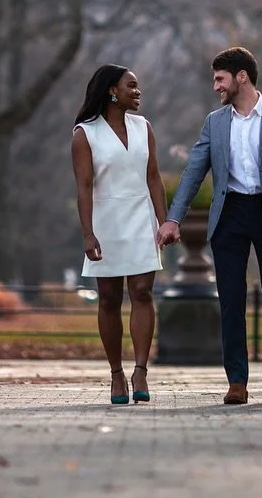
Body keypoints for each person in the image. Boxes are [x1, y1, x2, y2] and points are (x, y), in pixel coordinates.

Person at [159, 46, 262, 404]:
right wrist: (173, 217)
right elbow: (194, 171)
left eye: (220, 78)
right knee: (230, 299)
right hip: (229, 215)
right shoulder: (215, 122)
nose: (216, 86)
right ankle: (237, 380)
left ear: (241, 76)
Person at [72, 63, 167, 404]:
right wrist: (88, 234)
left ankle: (140, 370)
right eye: (132, 86)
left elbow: (153, 177)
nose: (137, 92)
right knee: (110, 299)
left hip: (141, 218)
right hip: (106, 220)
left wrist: (164, 221)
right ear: (112, 90)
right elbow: (83, 188)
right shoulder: (85, 134)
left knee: (142, 292)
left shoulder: (145, 128)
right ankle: (116, 374)